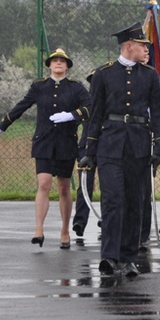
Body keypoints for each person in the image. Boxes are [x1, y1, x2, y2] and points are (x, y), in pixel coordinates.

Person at [78, 23, 160, 277]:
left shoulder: (150, 76)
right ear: (129, 46)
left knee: (133, 203)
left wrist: (159, 145)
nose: (146, 49)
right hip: (109, 144)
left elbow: (158, 113)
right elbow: (95, 116)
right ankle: (109, 256)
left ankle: (127, 257)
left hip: (138, 145)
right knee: (112, 200)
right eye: (142, 45)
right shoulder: (104, 75)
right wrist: (89, 149)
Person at [0, 48, 91, 249]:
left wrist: (72, 115)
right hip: (44, 141)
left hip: (65, 142)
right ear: (49, 65)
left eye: (63, 61)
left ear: (67, 66)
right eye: (55, 61)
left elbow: (90, 107)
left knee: (63, 186)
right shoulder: (39, 86)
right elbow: (22, 106)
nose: (58, 64)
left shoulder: (76, 87)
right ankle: (39, 229)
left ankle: (64, 231)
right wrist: (2, 125)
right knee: (44, 183)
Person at [72, 67, 100, 238]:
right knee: (84, 185)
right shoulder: (85, 101)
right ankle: (79, 221)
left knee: (109, 187)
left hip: (105, 147)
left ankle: (106, 219)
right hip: (86, 147)